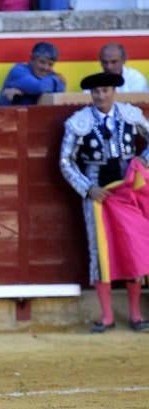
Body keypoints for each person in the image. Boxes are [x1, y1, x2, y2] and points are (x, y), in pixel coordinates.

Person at [59, 72, 149, 333]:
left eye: (105, 90)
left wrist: (144, 160)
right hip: (99, 196)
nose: (100, 95)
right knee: (101, 251)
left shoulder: (130, 115)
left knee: (134, 248)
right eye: (96, 91)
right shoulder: (79, 122)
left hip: (129, 191)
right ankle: (107, 316)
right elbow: (65, 161)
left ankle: (135, 314)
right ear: (91, 94)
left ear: (114, 91)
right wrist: (87, 189)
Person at [0, 41, 66, 106]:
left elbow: (61, 88)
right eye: (42, 62)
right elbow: (39, 87)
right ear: (32, 59)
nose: (46, 68)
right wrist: (55, 81)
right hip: (8, 117)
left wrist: (25, 93)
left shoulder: (49, 76)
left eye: (50, 64)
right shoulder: (18, 71)